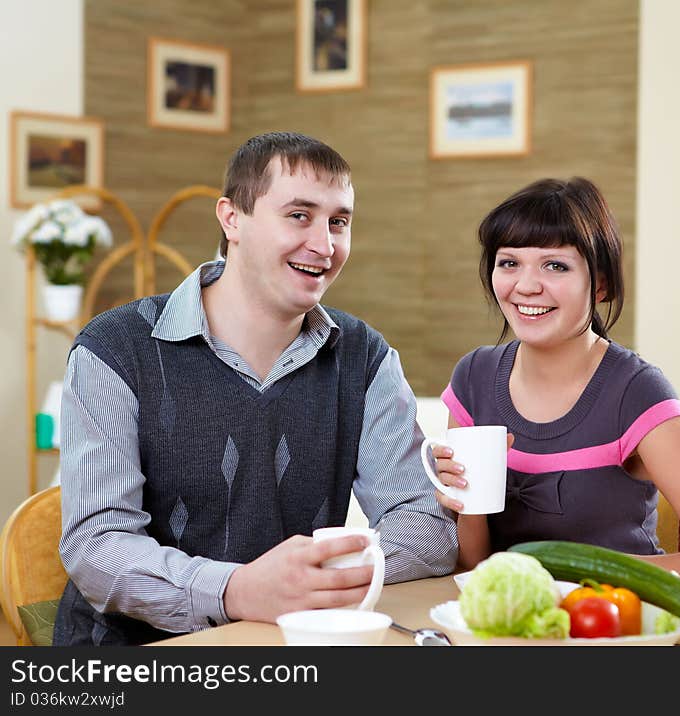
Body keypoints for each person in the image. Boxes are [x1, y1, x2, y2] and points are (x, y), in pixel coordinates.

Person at [53, 131, 458, 646]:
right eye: (299, 215)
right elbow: (96, 546)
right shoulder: (114, 349)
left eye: (339, 222)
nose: (324, 245)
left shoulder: (364, 355)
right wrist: (237, 590)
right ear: (231, 219)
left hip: (297, 645)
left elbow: (425, 526)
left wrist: (313, 576)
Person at [431, 177, 680, 601]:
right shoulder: (473, 378)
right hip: (514, 628)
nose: (525, 285)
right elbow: (474, 567)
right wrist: (467, 504)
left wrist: (575, 577)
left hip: (617, 627)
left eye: (555, 265)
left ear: (601, 284)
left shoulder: (635, 392)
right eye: (509, 263)